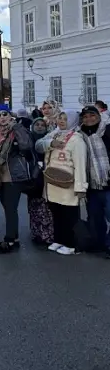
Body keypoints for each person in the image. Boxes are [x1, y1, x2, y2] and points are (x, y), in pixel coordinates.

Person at [35, 110, 87, 255]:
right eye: (60, 118)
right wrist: (50, 143)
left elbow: (80, 164)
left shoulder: (77, 139)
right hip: (53, 181)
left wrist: (81, 187)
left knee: (69, 215)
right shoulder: (55, 134)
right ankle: (59, 239)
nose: (61, 121)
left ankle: (72, 244)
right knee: (56, 214)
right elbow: (39, 145)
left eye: (65, 119)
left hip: (68, 184)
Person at [0, 104, 35, 254]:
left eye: (4, 114)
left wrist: (17, 127)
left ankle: (10, 239)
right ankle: (13, 237)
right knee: (7, 207)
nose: (2, 118)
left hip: (13, 174)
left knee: (10, 207)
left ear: (10, 115)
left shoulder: (17, 130)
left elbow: (26, 146)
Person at [78, 105, 110, 257]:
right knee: (95, 218)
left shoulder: (107, 130)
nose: (89, 119)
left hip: (108, 181)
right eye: (85, 116)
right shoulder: (79, 135)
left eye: (92, 115)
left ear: (98, 116)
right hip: (91, 184)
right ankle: (100, 244)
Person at [28, 116, 54, 246]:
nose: (39, 127)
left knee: (46, 209)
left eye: (42, 125)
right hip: (33, 178)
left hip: (47, 178)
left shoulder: (49, 139)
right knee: (33, 207)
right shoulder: (29, 140)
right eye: (37, 124)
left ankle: (47, 234)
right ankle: (36, 233)